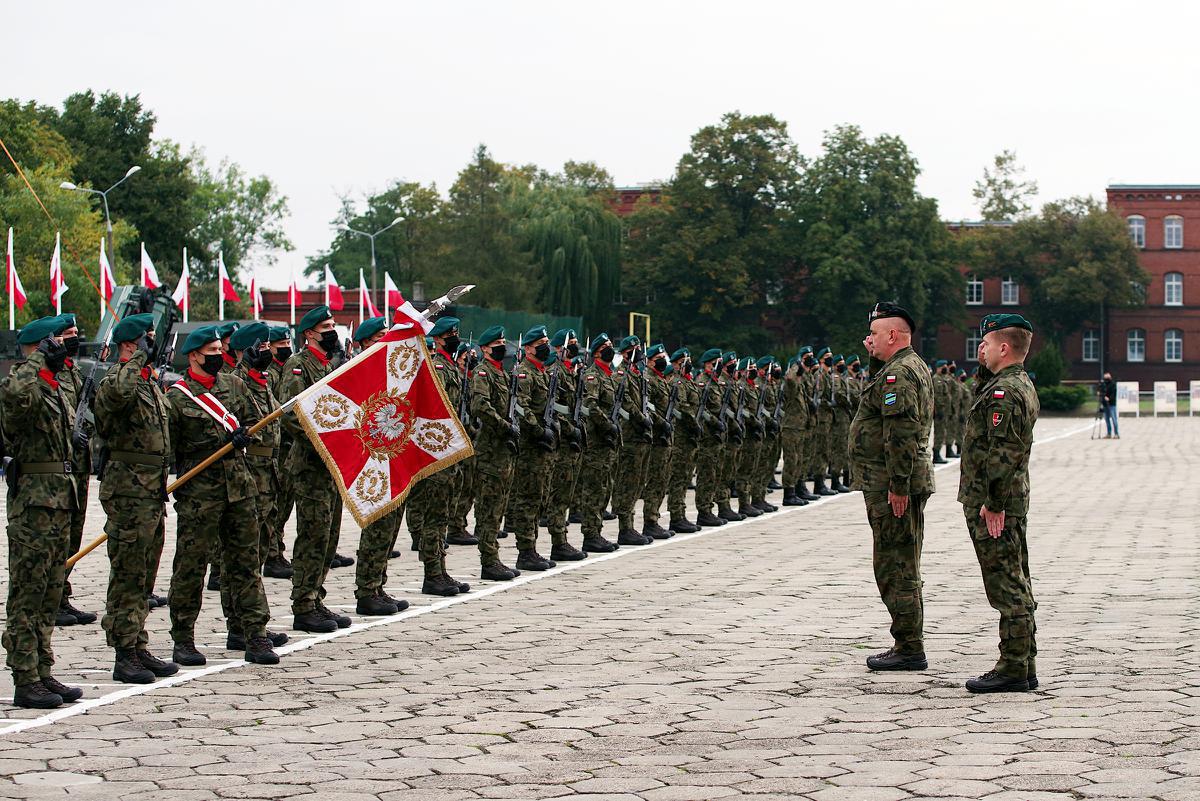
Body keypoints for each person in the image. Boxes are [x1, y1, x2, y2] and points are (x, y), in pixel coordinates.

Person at [166, 325, 279, 667]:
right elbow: (171, 447)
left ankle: (253, 633)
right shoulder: (177, 396)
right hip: (200, 491)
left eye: (220, 350)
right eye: (211, 351)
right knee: (191, 564)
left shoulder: (234, 385)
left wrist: (245, 435)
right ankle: (183, 638)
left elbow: (255, 424)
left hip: (240, 487)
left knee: (246, 562)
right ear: (194, 355)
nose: (218, 355)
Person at [1, 315, 85, 708]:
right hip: (33, 504)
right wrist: (34, 362)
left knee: (50, 593)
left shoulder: (54, 387)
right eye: (56, 341)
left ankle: (42, 671)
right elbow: (15, 403)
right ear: (39, 345)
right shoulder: (22, 382)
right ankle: (24, 677)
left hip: (59, 500)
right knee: (27, 594)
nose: (64, 346)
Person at [849, 302, 935, 672]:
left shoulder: (898, 375)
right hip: (891, 482)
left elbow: (900, 432)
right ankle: (907, 641)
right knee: (899, 560)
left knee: (894, 564)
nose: (869, 339)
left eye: (875, 333)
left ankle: (909, 647)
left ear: (893, 335)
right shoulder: (901, 367)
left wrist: (898, 485)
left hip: (892, 485)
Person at [94, 313, 179, 684]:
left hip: (149, 490)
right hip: (127, 490)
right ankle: (123, 651)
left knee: (145, 572)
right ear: (131, 344)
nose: (152, 344)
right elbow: (117, 396)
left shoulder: (148, 385)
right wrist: (136, 361)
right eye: (145, 339)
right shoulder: (116, 379)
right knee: (128, 571)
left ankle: (137, 642)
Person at [960, 313, 1040, 693]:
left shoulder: (1004, 393)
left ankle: (1012, 667)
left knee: (1006, 584)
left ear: (1004, 347)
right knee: (1015, 579)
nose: (982, 349)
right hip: (1008, 499)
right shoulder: (1012, 384)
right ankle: (1024, 662)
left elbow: (1002, 453)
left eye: (987, 344)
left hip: (996, 503)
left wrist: (993, 502)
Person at [276, 305, 351, 632]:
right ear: (309, 334)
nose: (332, 330)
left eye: (333, 324)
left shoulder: (332, 366)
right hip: (310, 465)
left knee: (329, 536)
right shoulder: (298, 366)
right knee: (313, 535)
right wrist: (325, 439)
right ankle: (303, 604)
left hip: (333, 465)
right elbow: (291, 415)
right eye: (326, 327)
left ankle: (316, 596)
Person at [51, 313, 98, 628]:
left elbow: (87, 413)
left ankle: (61, 595)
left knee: (73, 536)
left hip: (79, 466)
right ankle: (52, 599)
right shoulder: (50, 373)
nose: (74, 338)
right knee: (58, 535)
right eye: (68, 333)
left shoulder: (74, 372)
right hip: (58, 468)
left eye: (76, 332)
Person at [468, 326, 523, 580]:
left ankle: (494, 558)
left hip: (504, 452)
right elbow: (480, 406)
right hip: (490, 451)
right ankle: (488, 561)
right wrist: (504, 427)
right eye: (497, 343)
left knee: (498, 506)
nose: (502, 346)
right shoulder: (483, 372)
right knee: (488, 508)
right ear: (485, 348)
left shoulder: (503, 374)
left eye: (503, 341)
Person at [576, 334, 622, 553]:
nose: (609, 349)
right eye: (605, 347)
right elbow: (590, 405)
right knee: (594, 488)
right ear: (596, 353)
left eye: (611, 345)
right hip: (596, 440)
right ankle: (590, 534)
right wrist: (607, 425)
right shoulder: (593, 376)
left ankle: (597, 532)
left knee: (604, 487)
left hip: (608, 442)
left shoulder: (610, 376)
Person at [263, 325, 295, 579]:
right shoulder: (271, 374)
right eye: (279, 344)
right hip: (278, 448)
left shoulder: (286, 369)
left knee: (284, 504)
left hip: (287, 447)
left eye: (287, 343)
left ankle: (276, 551)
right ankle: (273, 555)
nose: (285, 347)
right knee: (277, 504)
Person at [1099, 372, 1119, 439]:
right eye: (1105, 378)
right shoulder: (1103, 384)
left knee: (1114, 419)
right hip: (1105, 404)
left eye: (1107, 378)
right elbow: (1101, 391)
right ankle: (1109, 433)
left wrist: (1109, 398)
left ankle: (1116, 433)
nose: (1106, 380)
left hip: (1111, 404)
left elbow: (1113, 394)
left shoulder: (1113, 384)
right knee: (1107, 419)